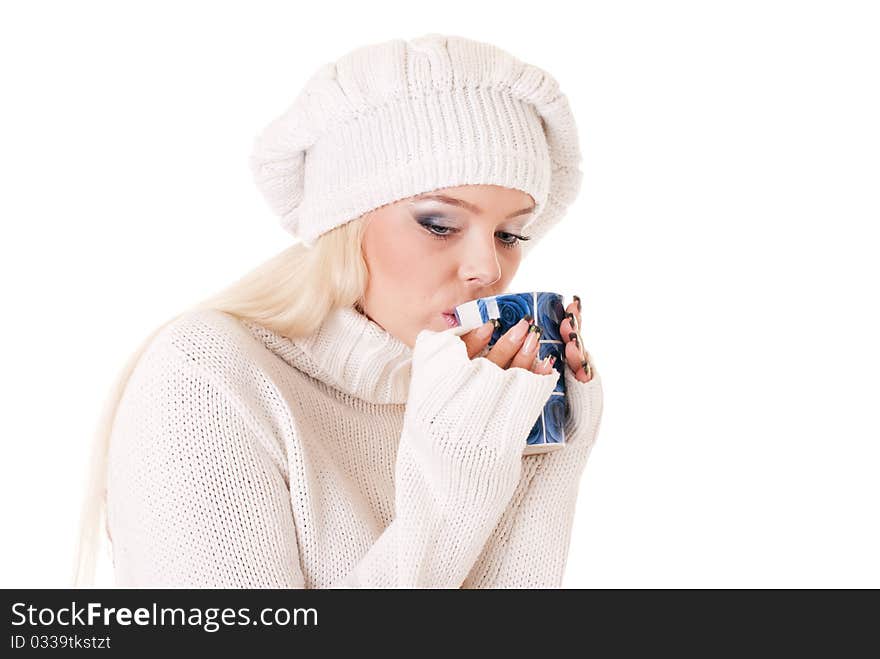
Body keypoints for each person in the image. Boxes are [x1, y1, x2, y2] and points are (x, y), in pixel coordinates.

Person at [71, 33, 604, 588]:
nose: (488, 268)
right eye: (440, 225)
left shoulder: (468, 395)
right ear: (345, 226)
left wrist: (542, 456)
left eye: (510, 234)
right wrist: (456, 476)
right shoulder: (208, 376)